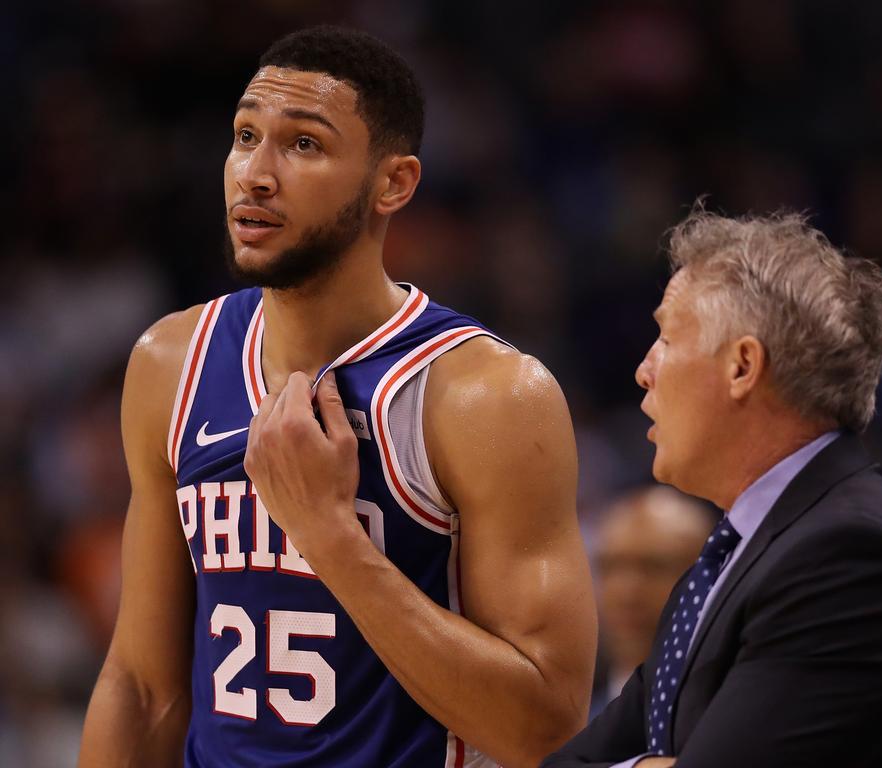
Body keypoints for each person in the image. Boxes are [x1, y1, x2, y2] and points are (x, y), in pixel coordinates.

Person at [78, 26, 596, 768]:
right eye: (246, 135)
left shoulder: (486, 397)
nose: (254, 174)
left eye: (303, 146)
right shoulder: (171, 362)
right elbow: (141, 685)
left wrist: (330, 541)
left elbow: (543, 725)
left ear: (394, 183)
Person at [543, 208, 882, 767]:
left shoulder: (853, 557)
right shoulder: (733, 556)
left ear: (742, 366)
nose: (643, 370)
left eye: (667, 338)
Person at [590, 487, 714, 717]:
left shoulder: (731, 714)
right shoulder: (569, 725)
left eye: (654, 567)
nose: (626, 593)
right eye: (609, 567)